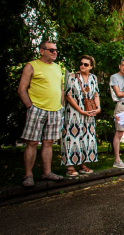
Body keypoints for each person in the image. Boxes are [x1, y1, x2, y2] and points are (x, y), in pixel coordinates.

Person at [18, 40, 64, 187]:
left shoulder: (57, 68)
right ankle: (28, 175)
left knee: (48, 142)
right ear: (41, 51)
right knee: (32, 142)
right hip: (37, 108)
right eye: (51, 50)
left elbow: (61, 89)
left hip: (55, 110)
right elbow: (22, 89)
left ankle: (47, 173)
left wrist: (61, 105)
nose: (54, 52)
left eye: (56, 50)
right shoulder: (32, 66)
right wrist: (30, 106)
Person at [61, 55, 101, 176]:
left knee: (86, 137)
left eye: (86, 64)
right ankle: (70, 167)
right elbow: (68, 95)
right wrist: (80, 110)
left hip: (89, 111)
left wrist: (98, 108)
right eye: (81, 63)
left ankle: (83, 164)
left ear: (91, 66)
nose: (82, 66)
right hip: (74, 112)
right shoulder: (72, 77)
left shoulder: (93, 78)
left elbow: (96, 95)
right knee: (72, 137)